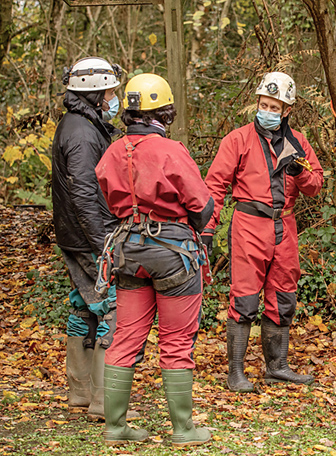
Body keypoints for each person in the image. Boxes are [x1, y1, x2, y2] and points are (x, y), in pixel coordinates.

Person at [95, 73, 215, 446]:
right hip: (174, 253)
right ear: (164, 112)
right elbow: (203, 206)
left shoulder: (113, 152)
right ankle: (183, 429)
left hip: (128, 250)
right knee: (176, 341)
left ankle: (116, 427)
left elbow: (105, 200)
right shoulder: (170, 150)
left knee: (126, 336)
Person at [203, 71, 323, 392]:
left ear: (286, 111)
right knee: (244, 298)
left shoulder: (298, 143)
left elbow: (316, 186)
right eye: (263, 104)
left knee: (283, 295)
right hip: (248, 224)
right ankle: (236, 373)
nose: (266, 111)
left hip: (285, 224)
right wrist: (206, 229)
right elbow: (214, 187)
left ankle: (277, 367)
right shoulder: (238, 139)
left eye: (274, 106)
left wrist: (299, 172)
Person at [51, 56, 123, 420]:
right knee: (113, 307)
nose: (115, 98)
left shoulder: (80, 123)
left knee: (82, 306)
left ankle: (80, 393)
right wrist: (103, 243)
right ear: (96, 94)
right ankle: (104, 401)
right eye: (111, 91)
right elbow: (83, 192)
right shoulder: (81, 132)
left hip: (74, 234)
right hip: (88, 237)